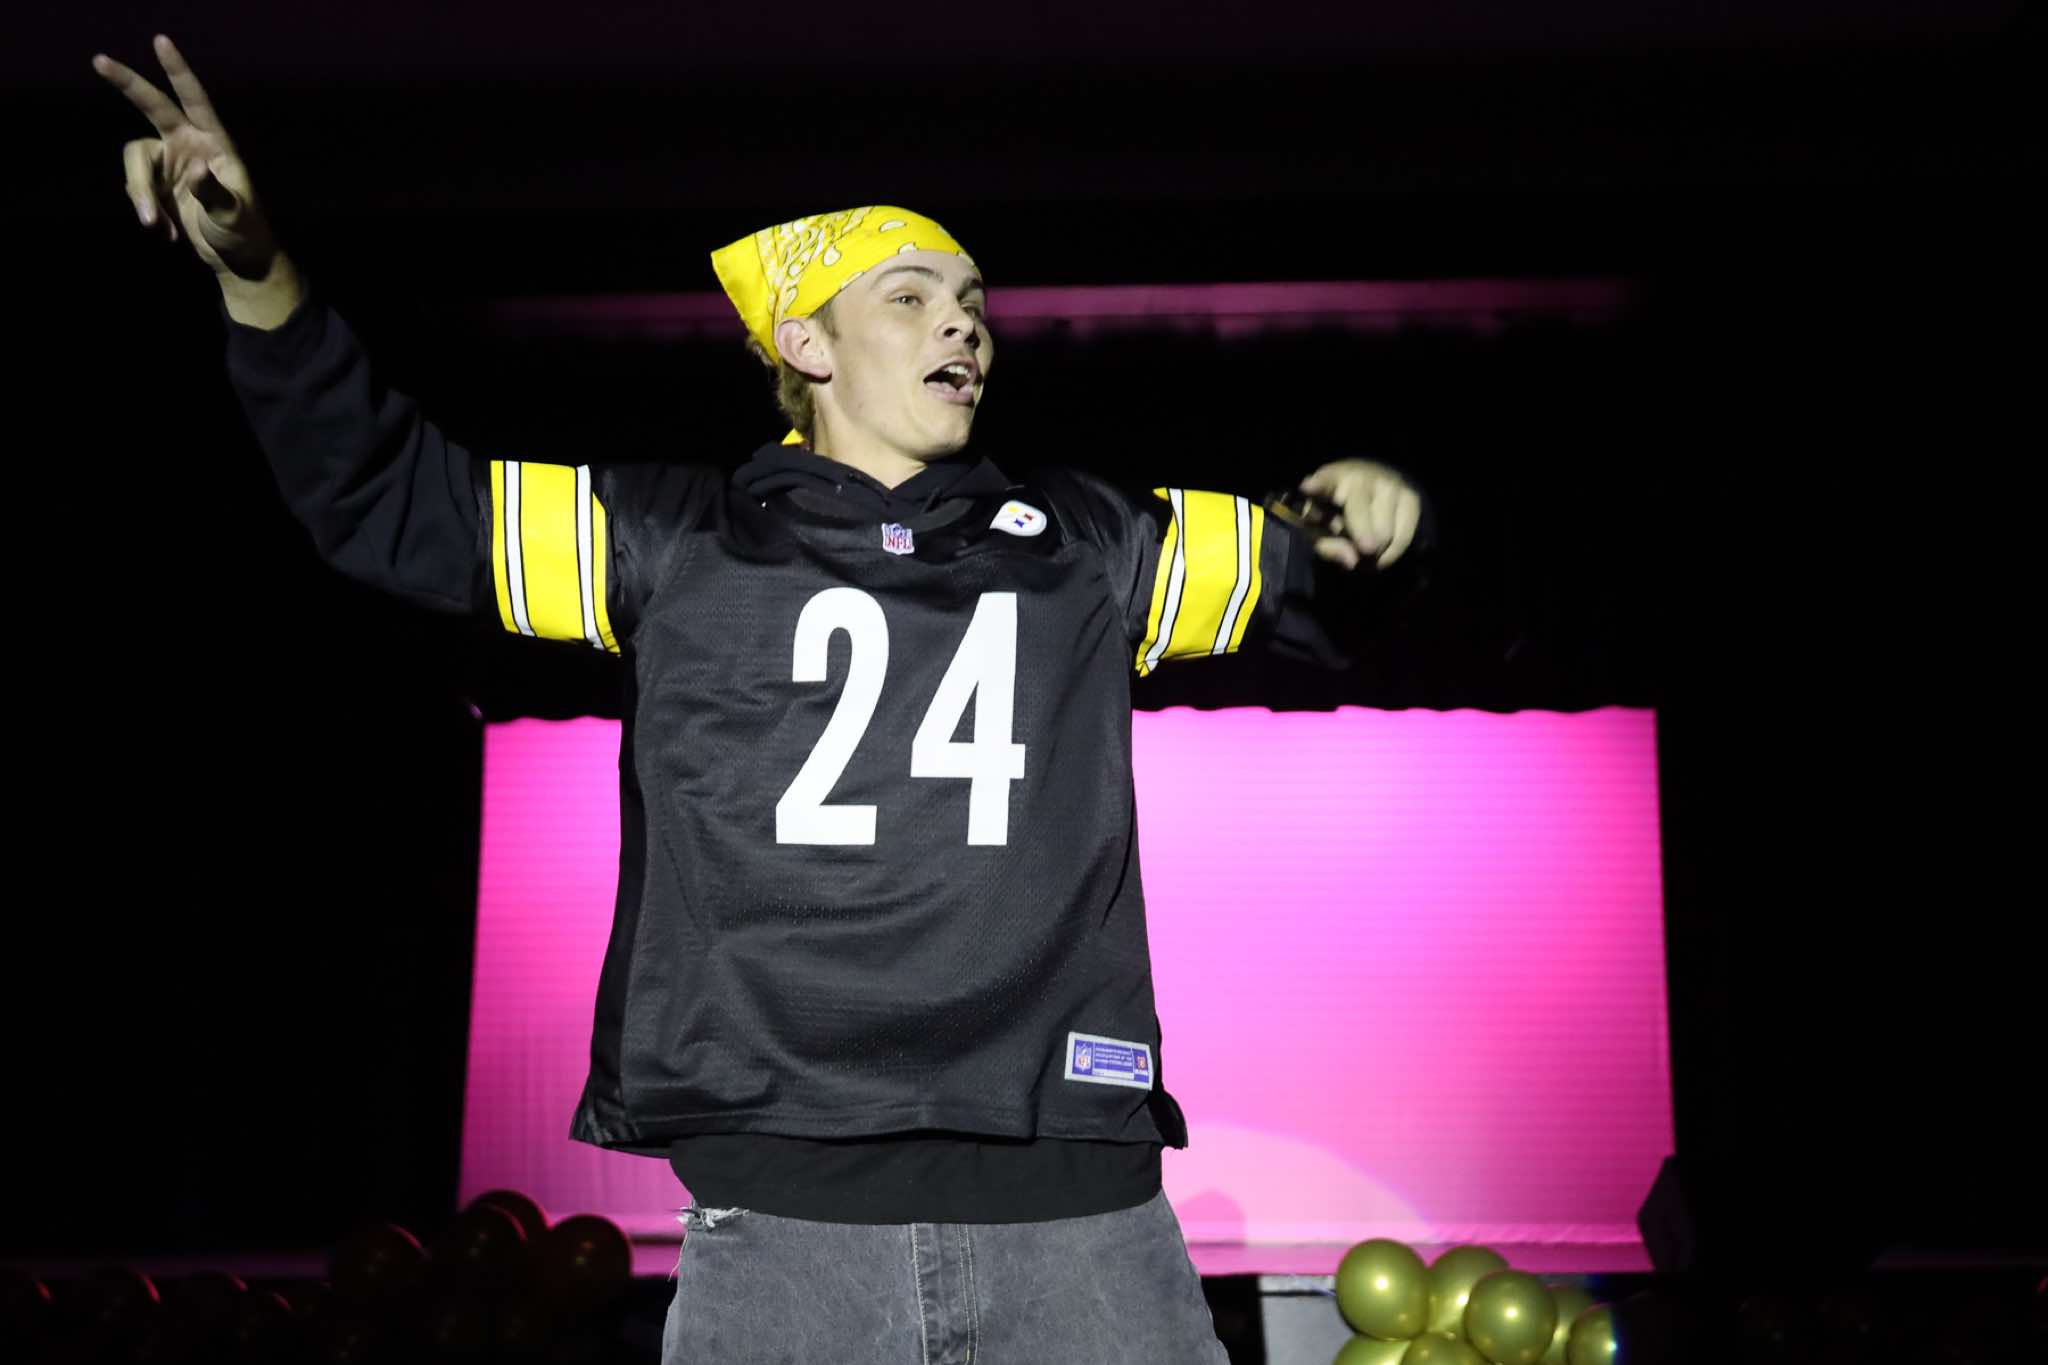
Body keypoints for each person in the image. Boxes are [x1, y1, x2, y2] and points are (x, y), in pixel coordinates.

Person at [95, 34, 1430, 1364]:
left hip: (1083, 1221)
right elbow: (398, 501)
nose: (962, 321)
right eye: (910, 295)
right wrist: (256, 272)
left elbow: (1314, 575)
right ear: (808, 341)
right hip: (785, 1232)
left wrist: (1365, 516)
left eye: (971, 299)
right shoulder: (679, 538)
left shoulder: (1084, 543)